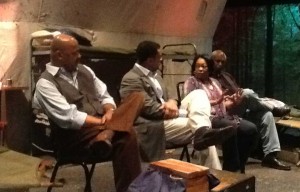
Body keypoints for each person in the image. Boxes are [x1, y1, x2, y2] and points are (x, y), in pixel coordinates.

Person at [33, 34, 145, 192]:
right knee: (127, 134)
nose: (79, 56)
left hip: (99, 130)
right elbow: (69, 118)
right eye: (74, 53)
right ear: (59, 55)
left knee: (137, 97)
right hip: (73, 138)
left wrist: (110, 110)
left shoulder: (85, 70)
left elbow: (104, 95)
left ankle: (107, 135)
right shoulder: (45, 83)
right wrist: (104, 123)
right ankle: (110, 134)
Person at [119, 40, 234, 162]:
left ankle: (207, 167)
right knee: (205, 128)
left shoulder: (156, 75)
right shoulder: (131, 79)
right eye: (160, 57)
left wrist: (172, 102)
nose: (162, 60)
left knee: (199, 97)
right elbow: (149, 109)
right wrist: (180, 112)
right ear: (150, 60)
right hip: (151, 125)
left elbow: (171, 97)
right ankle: (212, 176)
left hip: (169, 117)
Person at [210, 50, 291, 171]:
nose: (220, 64)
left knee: (266, 115)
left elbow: (237, 91)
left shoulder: (227, 76)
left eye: (222, 62)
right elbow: (214, 101)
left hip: (239, 108)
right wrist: (229, 99)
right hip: (225, 112)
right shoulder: (209, 79)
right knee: (247, 93)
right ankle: (274, 107)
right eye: (217, 61)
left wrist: (237, 95)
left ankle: (270, 155)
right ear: (211, 61)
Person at [184, 54, 257, 173]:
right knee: (231, 128)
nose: (200, 69)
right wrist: (216, 101)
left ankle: (239, 166)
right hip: (207, 118)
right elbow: (190, 104)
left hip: (224, 116)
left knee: (251, 129)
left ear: (210, 68)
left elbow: (223, 105)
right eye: (197, 66)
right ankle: (231, 170)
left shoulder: (214, 82)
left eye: (204, 66)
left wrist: (234, 102)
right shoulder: (191, 82)